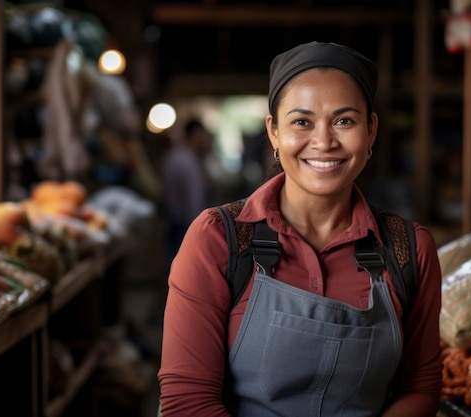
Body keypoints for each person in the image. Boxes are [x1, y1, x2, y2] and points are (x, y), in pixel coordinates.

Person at [158, 41, 443, 417]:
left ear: (371, 130)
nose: (323, 142)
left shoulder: (409, 248)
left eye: (344, 120)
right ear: (274, 132)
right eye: (301, 122)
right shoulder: (218, 239)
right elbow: (187, 400)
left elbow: (420, 387)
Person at [160, 118, 215, 268]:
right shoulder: (187, 162)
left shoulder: (173, 156)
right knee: (184, 268)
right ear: (196, 134)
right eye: (203, 135)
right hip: (186, 225)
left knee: (173, 266)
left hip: (174, 221)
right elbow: (194, 200)